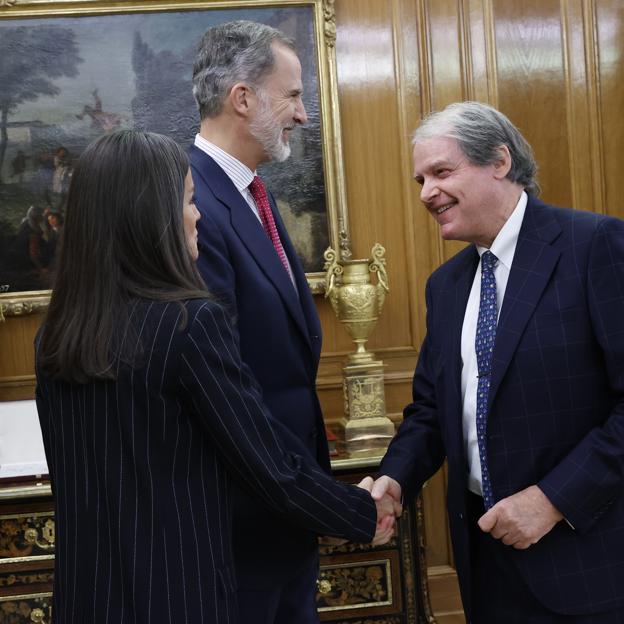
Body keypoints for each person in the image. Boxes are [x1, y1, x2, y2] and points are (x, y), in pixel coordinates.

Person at [34, 130, 396, 624]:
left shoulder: (57, 334)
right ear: (150, 217)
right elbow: (265, 463)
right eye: (187, 200)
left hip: (88, 596)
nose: (197, 214)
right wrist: (360, 512)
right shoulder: (187, 323)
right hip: (178, 596)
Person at [367, 102, 624, 623]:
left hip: (586, 557)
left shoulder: (594, 246)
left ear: (500, 162)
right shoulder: (446, 285)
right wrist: (394, 478)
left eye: (442, 172)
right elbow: (430, 410)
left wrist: (552, 501)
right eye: (420, 179)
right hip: (486, 564)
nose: (425, 194)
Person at [189, 20, 338, 623]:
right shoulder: (190, 202)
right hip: (240, 524)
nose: (303, 116)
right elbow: (223, 379)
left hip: (282, 520)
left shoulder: (254, 193)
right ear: (243, 98)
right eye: (294, 95)